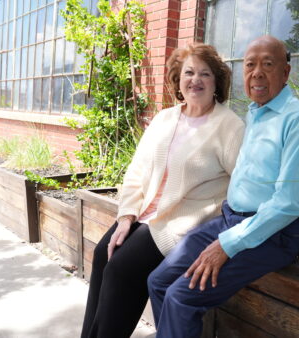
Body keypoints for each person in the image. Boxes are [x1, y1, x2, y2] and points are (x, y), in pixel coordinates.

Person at [147, 35, 299, 337]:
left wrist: (228, 245)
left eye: (267, 64)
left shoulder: (298, 121)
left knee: (182, 297)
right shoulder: (256, 113)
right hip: (231, 220)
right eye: (250, 65)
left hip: (271, 234)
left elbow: (289, 203)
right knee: (159, 281)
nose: (257, 72)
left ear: (285, 72)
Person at [81, 44, 245, 338]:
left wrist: (220, 224)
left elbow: (242, 185)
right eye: (189, 72)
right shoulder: (165, 118)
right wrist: (126, 216)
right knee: (102, 256)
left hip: (180, 223)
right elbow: (137, 171)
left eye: (205, 74)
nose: (196, 80)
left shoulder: (230, 127)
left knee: (122, 270)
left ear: (217, 82)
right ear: (178, 80)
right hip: (144, 214)